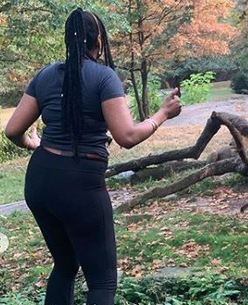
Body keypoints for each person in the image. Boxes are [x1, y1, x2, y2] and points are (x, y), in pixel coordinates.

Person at [5, 8, 181, 305]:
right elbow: (126, 137)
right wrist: (162, 114)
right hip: (81, 187)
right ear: (98, 40)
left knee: (64, 265)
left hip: (40, 182)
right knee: (101, 281)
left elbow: (12, 130)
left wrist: (34, 144)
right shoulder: (103, 77)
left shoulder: (45, 75)